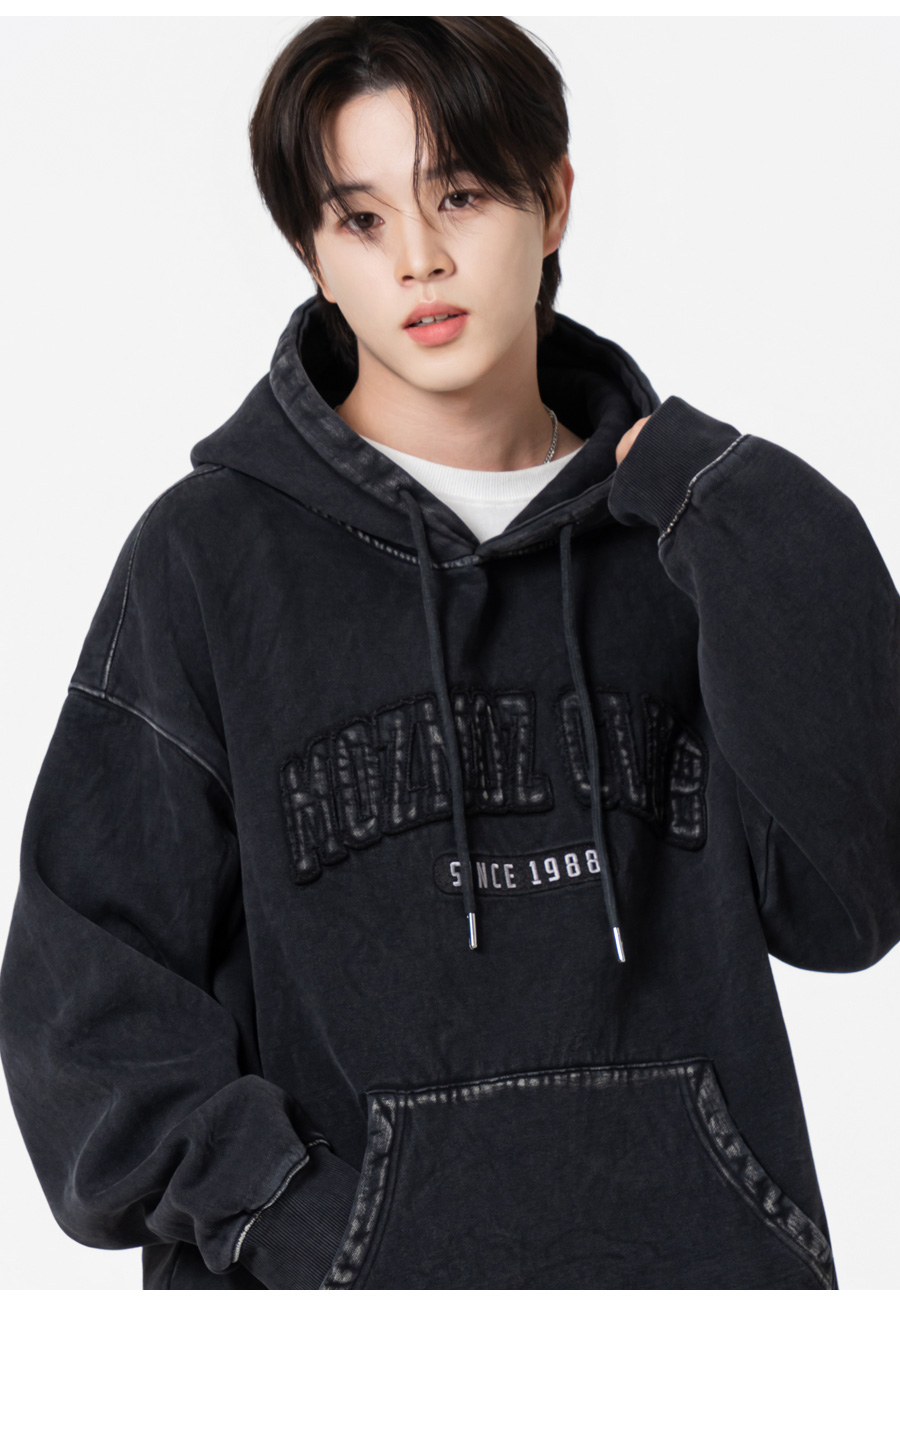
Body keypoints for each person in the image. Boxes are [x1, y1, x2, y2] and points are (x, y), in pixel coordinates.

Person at [1, 15, 897, 1291]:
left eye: (460, 195)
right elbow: (85, 1007)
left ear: (554, 199)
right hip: (348, 1355)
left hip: (700, 1317)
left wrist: (730, 498)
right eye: (361, 219)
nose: (418, 258)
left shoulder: (687, 546)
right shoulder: (209, 558)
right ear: (314, 255)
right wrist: (310, 1227)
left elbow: (851, 900)